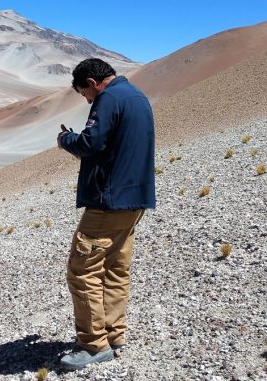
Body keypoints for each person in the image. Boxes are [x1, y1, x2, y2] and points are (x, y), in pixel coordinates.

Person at [55, 58, 156, 370]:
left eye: (84, 93)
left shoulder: (108, 99)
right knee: (114, 268)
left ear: (91, 82)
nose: (87, 99)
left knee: (83, 270)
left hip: (108, 201)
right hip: (134, 199)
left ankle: (92, 344)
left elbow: (91, 141)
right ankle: (113, 334)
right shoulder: (138, 96)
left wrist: (65, 140)